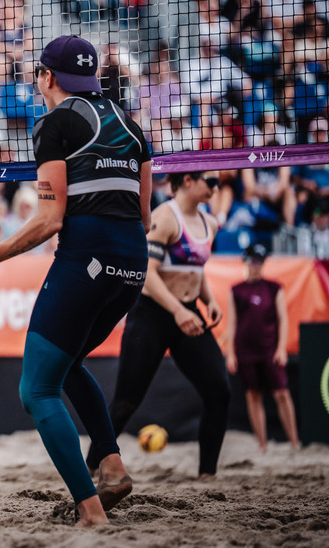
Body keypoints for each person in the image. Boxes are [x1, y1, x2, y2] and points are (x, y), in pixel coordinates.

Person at [0, 35, 152, 527]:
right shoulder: (131, 124)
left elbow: (49, 219)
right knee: (69, 362)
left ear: (47, 77)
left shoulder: (55, 121)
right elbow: (144, 216)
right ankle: (111, 464)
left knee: (36, 390)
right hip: (133, 264)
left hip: (87, 257)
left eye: (38, 76)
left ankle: (90, 513)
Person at [86, 171, 230, 479]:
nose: (216, 187)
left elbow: (196, 268)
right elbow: (147, 275)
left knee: (219, 391)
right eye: (211, 180)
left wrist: (209, 300)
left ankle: (207, 474)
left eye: (218, 181)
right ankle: (90, 466)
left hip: (188, 312)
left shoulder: (209, 221)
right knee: (126, 401)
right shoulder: (165, 217)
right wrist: (179, 311)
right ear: (188, 180)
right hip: (152, 314)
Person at [224, 243, 301, 452]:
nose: (256, 265)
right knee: (253, 395)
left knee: (282, 394)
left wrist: (281, 348)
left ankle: (294, 442)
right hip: (246, 351)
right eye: (253, 260)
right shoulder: (236, 290)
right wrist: (231, 353)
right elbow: (232, 323)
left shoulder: (273, 287)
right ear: (246, 261)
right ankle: (262, 445)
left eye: (260, 261)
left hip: (269, 349)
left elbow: (283, 320)